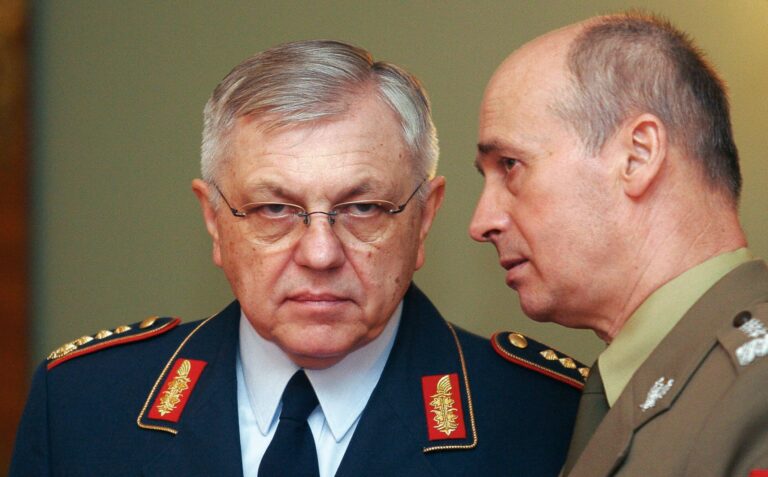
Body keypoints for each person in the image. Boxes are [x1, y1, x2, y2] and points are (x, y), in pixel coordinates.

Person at [11, 40, 583, 477]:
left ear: (424, 218)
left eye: (361, 207)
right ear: (214, 220)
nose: (319, 252)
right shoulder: (85, 405)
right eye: (274, 209)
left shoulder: (546, 419)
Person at [469, 11, 768, 477]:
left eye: (510, 165)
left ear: (638, 155)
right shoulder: (623, 389)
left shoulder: (754, 388)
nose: (481, 222)